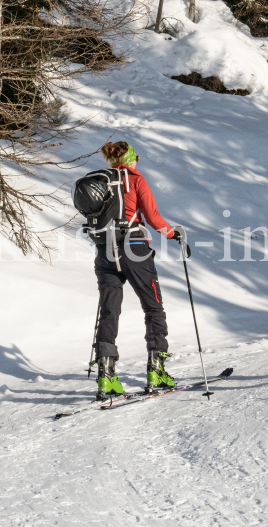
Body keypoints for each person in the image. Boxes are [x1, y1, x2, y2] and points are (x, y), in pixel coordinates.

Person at [92, 141, 181, 399]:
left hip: (105, 251)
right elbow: (153, 218)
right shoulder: (135, 179)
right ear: (130, 159)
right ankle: (156, 371)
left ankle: (106, 378)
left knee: (109, 310)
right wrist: (174, 234)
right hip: (134, 248)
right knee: (153, 307)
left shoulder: (102, 183)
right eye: (136, 158)